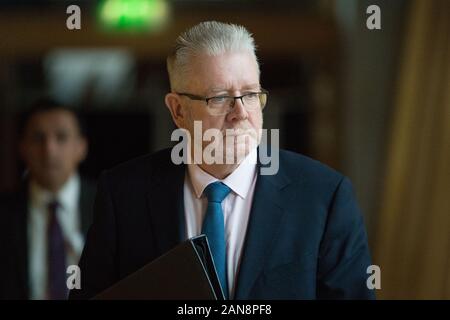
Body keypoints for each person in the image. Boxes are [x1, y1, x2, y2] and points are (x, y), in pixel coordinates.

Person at [70, 21, 375, 300]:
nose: (240, 112)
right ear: (177, 111)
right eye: (218, 98)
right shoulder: (124, 195)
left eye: (251, 94)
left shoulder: (323, 196)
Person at [0, 98, 96, 300]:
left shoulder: (108, 206)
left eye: (61, 137)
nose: (49, 150)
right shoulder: (5, 213)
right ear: (23, 147)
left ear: (81, 147)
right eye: (38, 138)